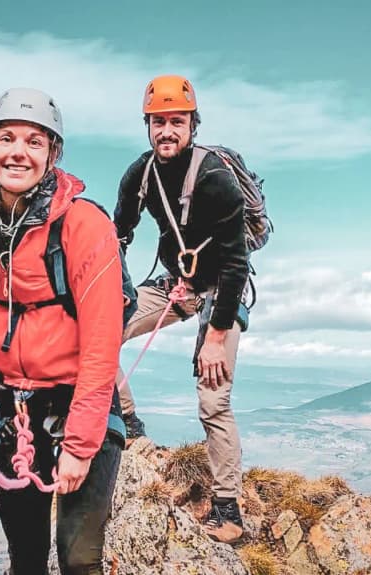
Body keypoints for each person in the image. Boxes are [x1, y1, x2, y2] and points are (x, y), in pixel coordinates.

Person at [0, 87, 128, 574]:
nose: (18, 151)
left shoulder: (84, 225)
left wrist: (81, 446)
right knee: (24, 560)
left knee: (79, 560)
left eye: (34, 142)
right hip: (13, 413)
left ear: (52, 154)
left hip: (81, 409)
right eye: (7, 138)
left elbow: (102, 341)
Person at [112, 74, 251, 543]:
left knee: (213, 398)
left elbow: (235, 262)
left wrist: (215, 337)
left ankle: (228, 510)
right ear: (147, 126)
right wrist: (109, 292)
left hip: (220, 291)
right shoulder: (141, 174)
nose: (166, 130)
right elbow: (118, 235)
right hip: (175, 284)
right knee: (96, 336)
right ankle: (129, 427)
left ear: (192, 124)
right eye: (158, 122)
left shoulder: (215, 178)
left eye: (176, 121)